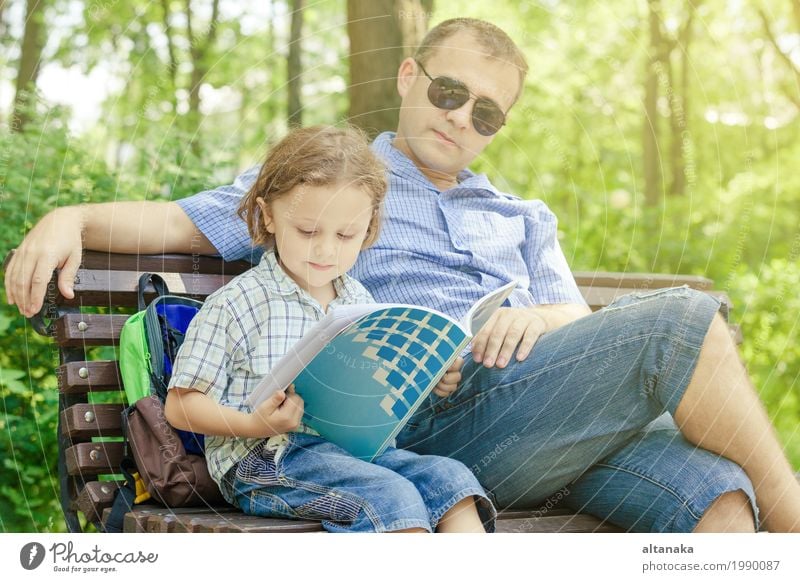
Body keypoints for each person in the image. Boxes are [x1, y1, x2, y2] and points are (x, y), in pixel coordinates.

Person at [5, 18, 800, 533]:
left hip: (547, 421)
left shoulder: (522, 215)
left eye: (486, 112)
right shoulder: (339, 186)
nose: (462, 117)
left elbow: (567, 315)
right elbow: (181, 221)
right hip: (422, 429)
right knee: (683, 321)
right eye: (451, 92)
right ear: (410, 76)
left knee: (719, 492)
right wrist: (71, 218)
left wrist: (540, 321)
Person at [162, 124, 494, 533]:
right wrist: (255, 425)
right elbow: (180, 406)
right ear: (268, 215)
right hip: (266, 458)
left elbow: (379, 401)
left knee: (451, 481)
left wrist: (429, 381)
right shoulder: (238, 303)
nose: (325, 250)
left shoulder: (361, 302)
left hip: (353, 454)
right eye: (307, 231)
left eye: (346, 235)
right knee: (392, 497)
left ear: (369, 226)